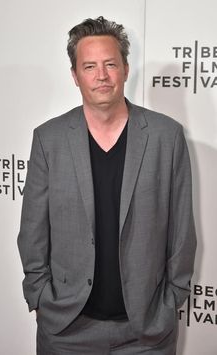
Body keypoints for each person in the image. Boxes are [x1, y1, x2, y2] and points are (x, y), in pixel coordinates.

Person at [17, 16, 196, 354]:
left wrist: (172, 302)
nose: (101, 75)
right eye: (89, 66)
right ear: (74, 75)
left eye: (110, 64)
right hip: (67, 330)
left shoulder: (166, 136)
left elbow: (182, 231)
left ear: (125, 69)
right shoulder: (49, 139)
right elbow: (33, 230)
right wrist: (39, 295)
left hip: (146, 332)